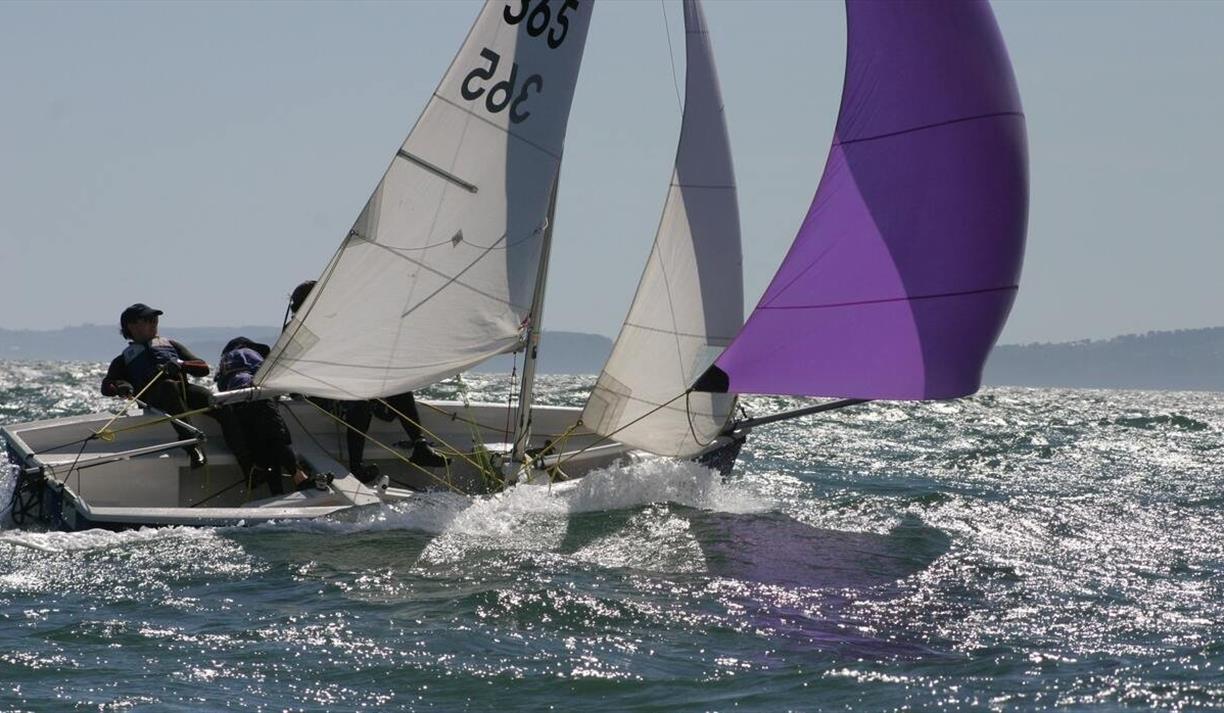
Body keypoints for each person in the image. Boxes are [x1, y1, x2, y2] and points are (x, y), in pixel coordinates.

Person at [287, 280, 449, 482]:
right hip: (325, 395)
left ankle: (420, 445)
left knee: (399, 388)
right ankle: (356, 468)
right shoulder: (296, 332)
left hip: (353, 388)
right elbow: (290, 374)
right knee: (360, 405)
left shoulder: (339, 325)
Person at [100, 303, 213, 468]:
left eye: (155, 319)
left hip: (181, 391)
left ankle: (251, 464)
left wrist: (181, 364)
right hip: (154, 399)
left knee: (213, 400)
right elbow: (106, 387)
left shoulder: (172, 345)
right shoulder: (122, 360)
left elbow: (203, 369)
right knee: (168, 386)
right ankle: (191, 445)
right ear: (132, 326)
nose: (154, 323)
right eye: (148, 320)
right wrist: (120, 386)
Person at [214, 337, 312, 493]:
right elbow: (268, 373)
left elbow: (222, 386)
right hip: (257, 398)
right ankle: (300, 478)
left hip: (237, 405)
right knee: (277, 440)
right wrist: (294, 392)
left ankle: (277, 492)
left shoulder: (223, 363)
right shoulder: (246, 352)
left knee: (264, 450)